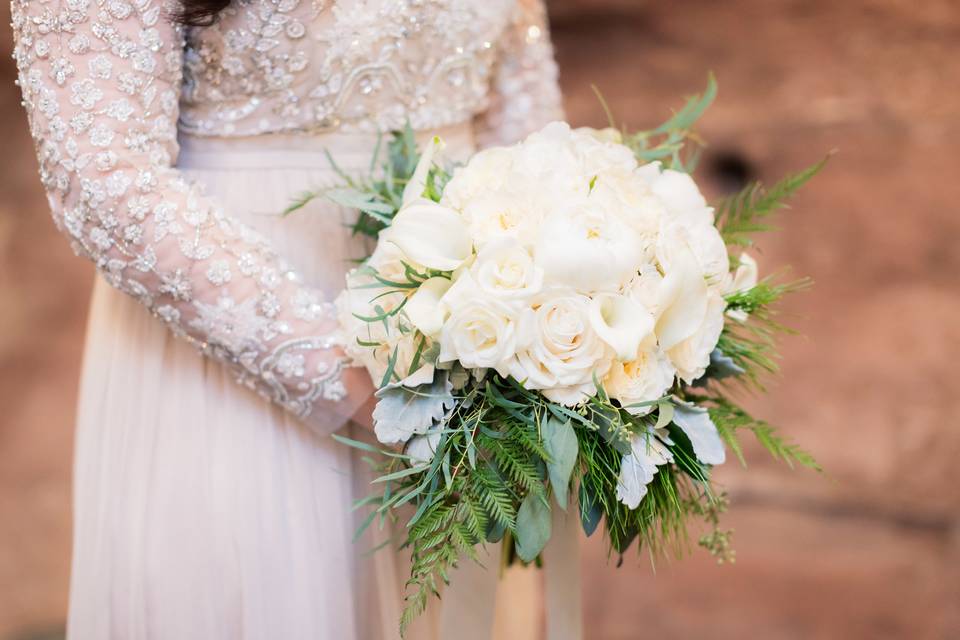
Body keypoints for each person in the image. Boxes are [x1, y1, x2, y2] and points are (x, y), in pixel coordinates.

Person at [10, 0, 581, 638]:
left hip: (473, 344)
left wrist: (554, 307)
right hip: (235, 350)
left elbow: (526, 122)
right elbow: (104, 182)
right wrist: (365, 382)